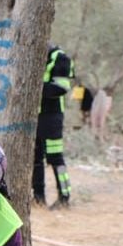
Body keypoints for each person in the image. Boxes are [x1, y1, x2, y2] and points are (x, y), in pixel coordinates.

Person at [33, 45, 73, 208]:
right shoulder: (30, 54)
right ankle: (38, 198)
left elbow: (62, 87)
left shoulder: (59, 57)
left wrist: (34, 87)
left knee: (55, 158)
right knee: (35, 158)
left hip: (52, 117)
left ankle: (64, 197)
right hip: (34, 117)